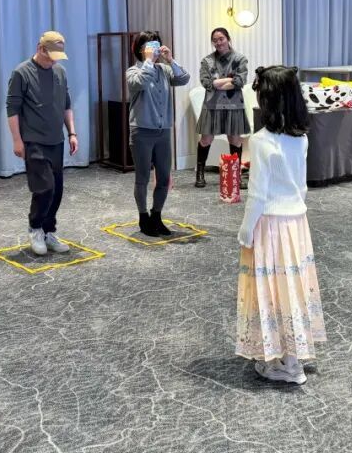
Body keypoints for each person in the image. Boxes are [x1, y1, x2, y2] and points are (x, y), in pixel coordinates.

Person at [236, 65, 325, 385]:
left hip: (270, 225)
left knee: (271, 289)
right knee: (292, 287)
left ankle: (283, 361)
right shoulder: (300, 139)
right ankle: (292, 356)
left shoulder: (261, 141)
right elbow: (301, 187)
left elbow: (257, 195)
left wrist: (245, 230)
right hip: (296, 223)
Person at [6, 30, 78, 256]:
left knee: (57, 190)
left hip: (56, 140)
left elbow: (66, 105)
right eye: (51, 56)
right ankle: (35, 228)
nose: (54, 61)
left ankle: (49, 231)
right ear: (40, 49)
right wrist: (17, 140)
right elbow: (12, 110)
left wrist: (72, 133)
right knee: (44, 187)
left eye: (58, 57)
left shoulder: (60, 72)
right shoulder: (21, 73)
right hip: (34, 141)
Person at [125, 31, 190, 236]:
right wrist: (148, 62)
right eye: (149, 46)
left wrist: (170, 60)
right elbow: (141, 82)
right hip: (142, 131)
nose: (154, 49)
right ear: (140, 49)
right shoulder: (133, 71)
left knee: (164, 177)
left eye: (156, 45)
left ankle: (156, 215)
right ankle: (143, 217)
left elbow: (184, 78)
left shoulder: (164, 70)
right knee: (142, 177)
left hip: (163, 132)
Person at [195, 27, 250, 188]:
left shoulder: (240, 59)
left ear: (228, 39)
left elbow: (240, 81)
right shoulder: (207, 61)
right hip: (212, 105)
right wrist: (228, 80)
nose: (218, 43)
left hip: (234, 105)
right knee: (206, 139)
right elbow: (206, 83)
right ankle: (200, 173)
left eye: (221, 39)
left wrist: (217, 83)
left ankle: (236, 175)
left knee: (235, 140)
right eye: (215, 40)